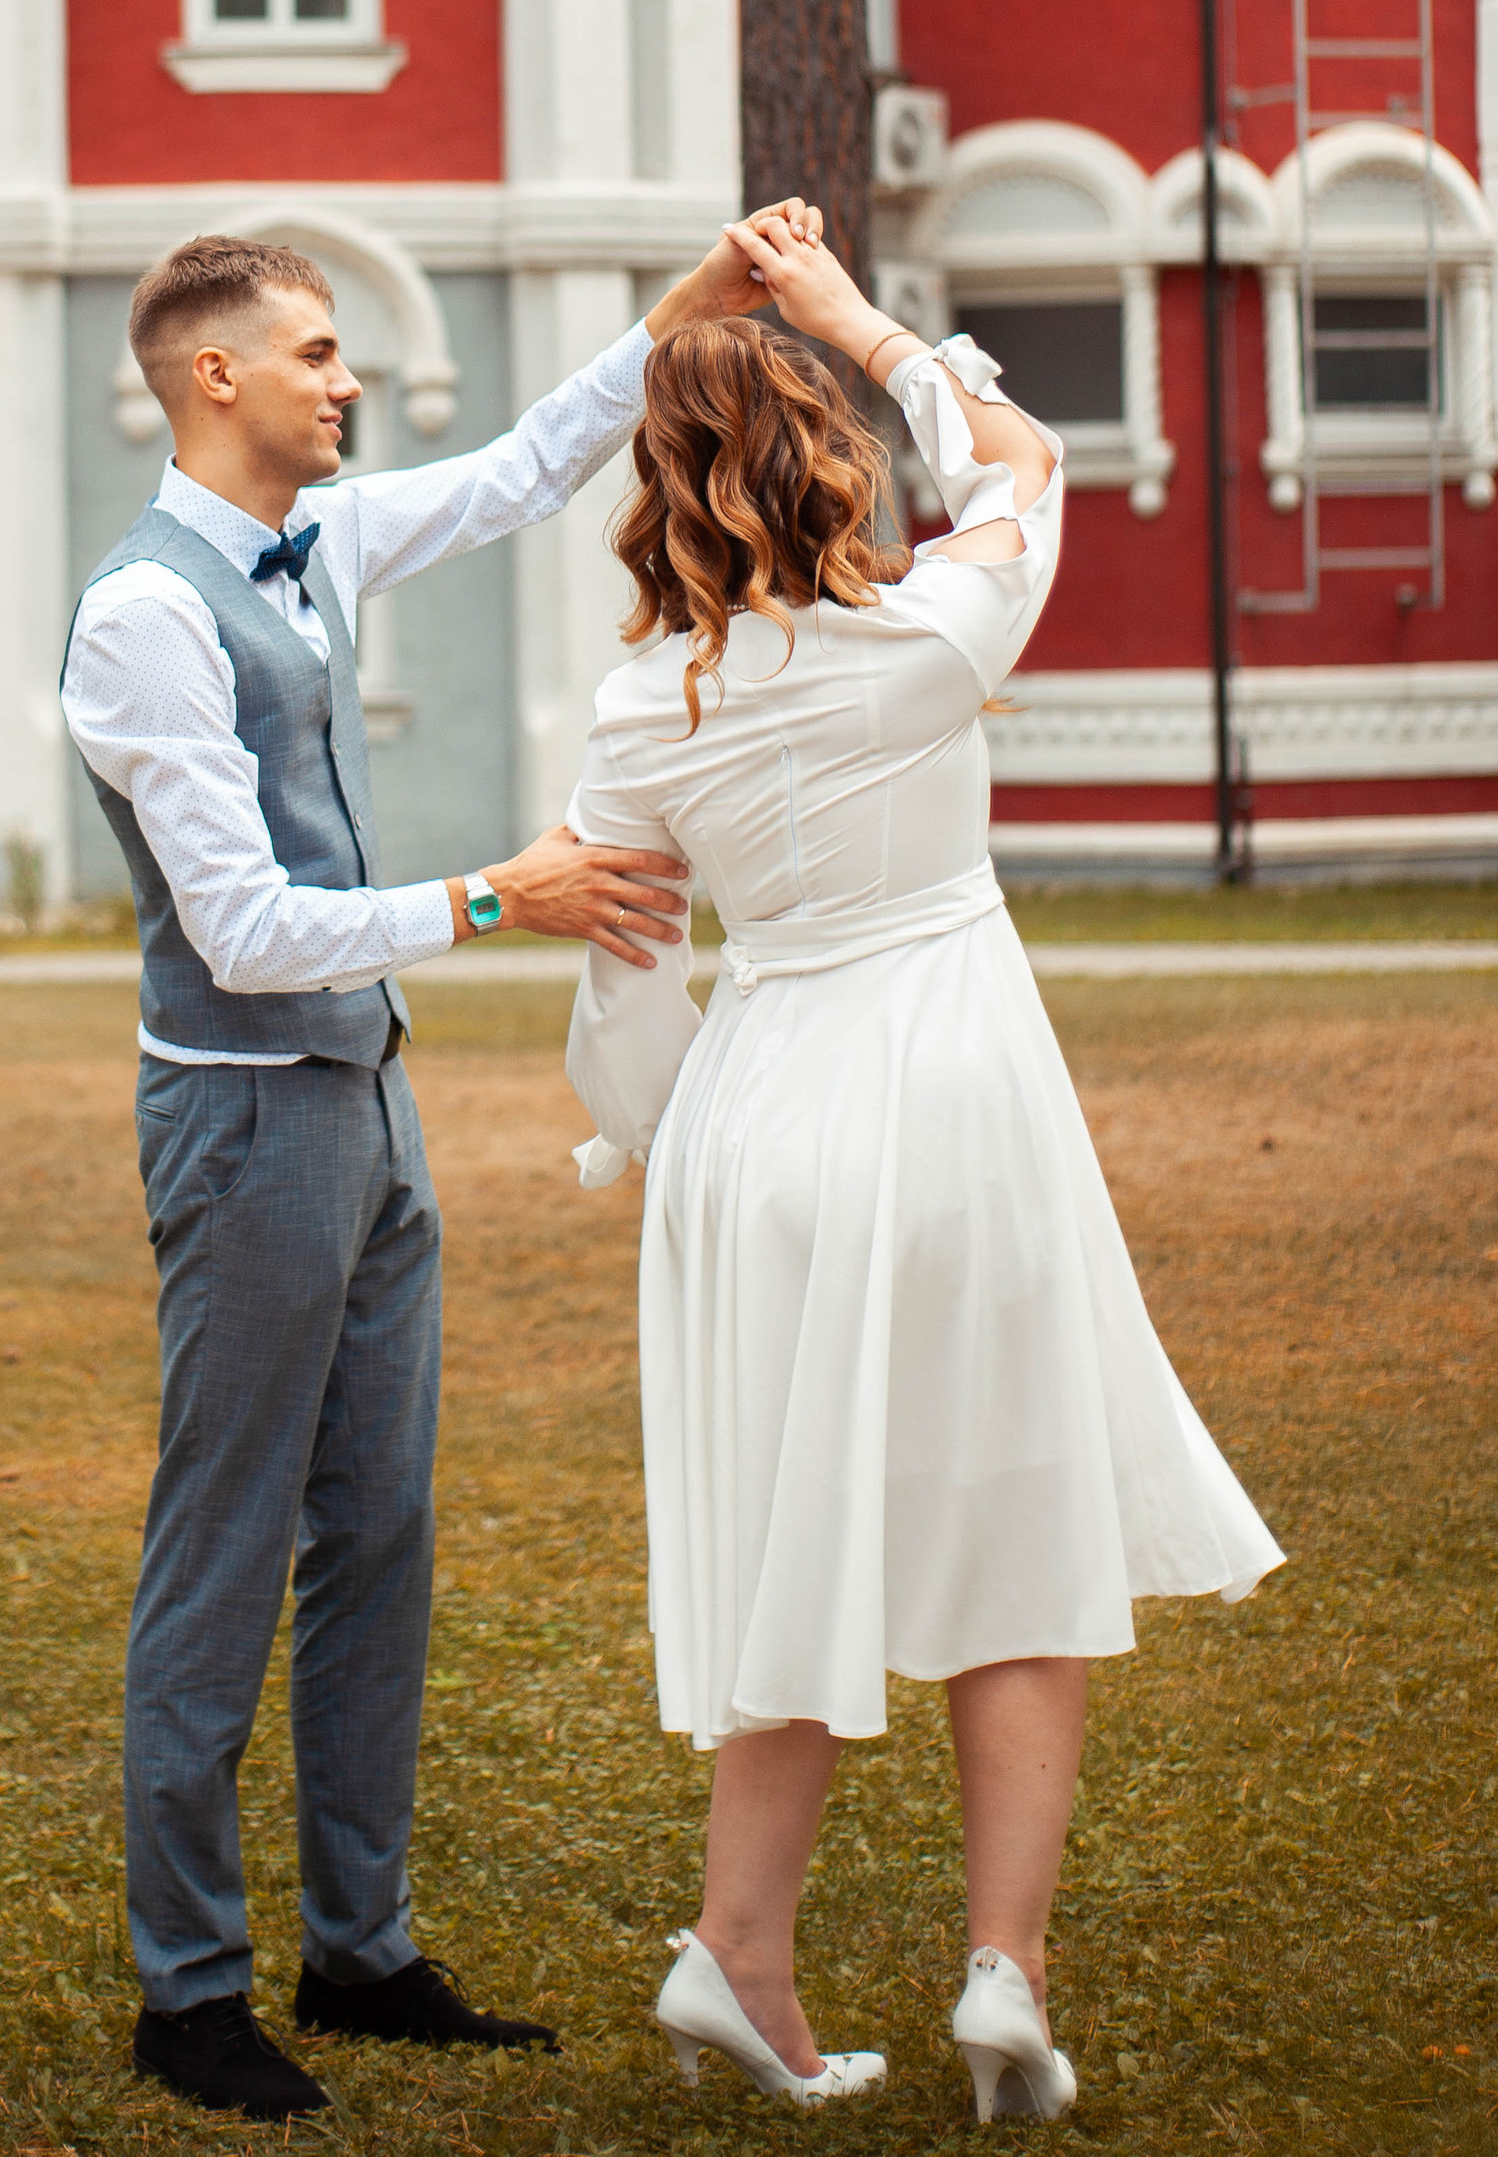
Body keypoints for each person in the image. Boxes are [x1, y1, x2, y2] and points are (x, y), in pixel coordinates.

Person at [61, 215, 806, 2126]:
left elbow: (525, 467)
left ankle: (362, 1951)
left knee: (379, 1531)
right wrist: (496, 898)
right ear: (215, 374)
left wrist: (692, 308)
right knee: (225, 1544)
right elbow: (242, 931)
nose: (348, 378)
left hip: (367, 1105)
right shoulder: (144, 619)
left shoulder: (313, 543)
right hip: (245, 1117)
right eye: (316, 352)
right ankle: (189, 1993)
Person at [563, 214, 1283, 2124]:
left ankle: (739, 1949)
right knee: (1014, 1517)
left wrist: (660, 1142)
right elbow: (1021, 462)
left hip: (757, 1119)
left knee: (797, 1536)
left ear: (658, 494)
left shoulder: (635, 714)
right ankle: (1002, 1971)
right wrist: (860, 322)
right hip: (953, 1095)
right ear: (833, 468)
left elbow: (626, 984)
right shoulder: (933, 632)